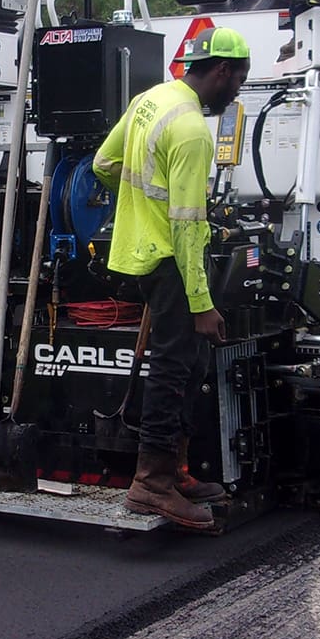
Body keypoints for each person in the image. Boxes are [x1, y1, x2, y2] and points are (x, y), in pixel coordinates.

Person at [93, 27, 251, 529]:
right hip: (171, 260)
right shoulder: (191, 131)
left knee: (192, 361)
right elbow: (186, 226)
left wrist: (140, 202)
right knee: (172, 367)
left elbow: (103, 164)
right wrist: (202, 303)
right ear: (222, 71)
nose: (238, 91)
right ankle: (152, 484)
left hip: (142, 248)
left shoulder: (151, 99)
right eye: (240, 79)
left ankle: (176, 468)